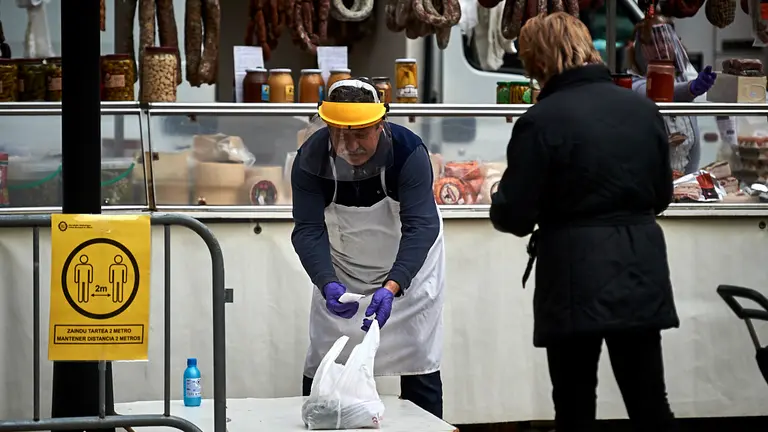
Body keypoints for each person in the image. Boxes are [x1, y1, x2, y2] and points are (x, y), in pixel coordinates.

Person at [489, 12, 679, 431]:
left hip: (573, 273)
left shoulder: (540, 120)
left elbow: (515, 215)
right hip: (639, 265)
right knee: (650, 401)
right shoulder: (642, 109)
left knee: (574, 405)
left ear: (537, 61)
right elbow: (661, 196)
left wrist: (496, 199)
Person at [291, 78, 445, 418]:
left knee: (419, 358)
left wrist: (393, 286)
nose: (350, 145)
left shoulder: (408, 153)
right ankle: (320, 421)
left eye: (361, 133)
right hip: (341, 268)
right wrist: (326, 281)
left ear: (381, 124)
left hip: (410, 274)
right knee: (324, 359)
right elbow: (308, 230)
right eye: (340, 134)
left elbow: (421, 227)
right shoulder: (311, 158)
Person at [628, 14, 717, 175]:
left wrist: (688, 181)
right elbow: (658, 93)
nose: (660, 47)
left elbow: (694, 142)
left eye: (665, 40)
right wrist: (691, 88)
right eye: (651, 42)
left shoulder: (683, 75)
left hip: (681, 183)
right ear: (638, 49)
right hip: (647, 181)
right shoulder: (633, 83)